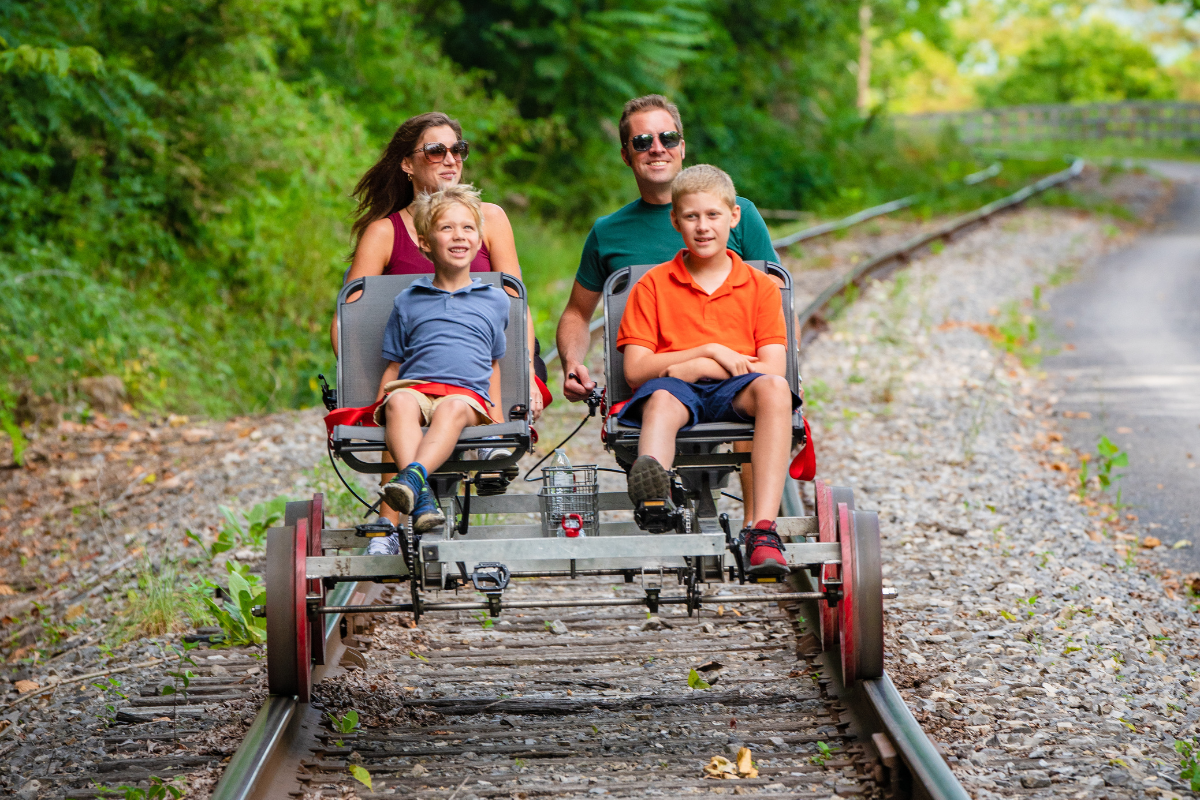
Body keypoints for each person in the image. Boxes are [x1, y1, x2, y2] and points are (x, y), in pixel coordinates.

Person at [554, 95, 778, 508]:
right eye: (642, 141)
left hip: (738, 369)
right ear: (626, 155)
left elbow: (775, 299)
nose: (657, 147)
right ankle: (658, 495)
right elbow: (577, 312)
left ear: (682, 146)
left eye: (667, 137)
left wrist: (782, 371)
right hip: (660, 377)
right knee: (665, 401)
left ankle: (756, 523)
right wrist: (572, 362)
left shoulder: (736, 212)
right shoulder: (609, 232)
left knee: (762, 394)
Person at [615, 165, 799, 577]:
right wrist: (701, 355)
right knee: (660, 399)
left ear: (734, 217)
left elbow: (773, 368)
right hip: (675, 387)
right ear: (675, 220)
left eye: (713, 216)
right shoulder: (654, 285)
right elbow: (636, 370)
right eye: (692, 217)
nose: (703, 227)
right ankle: (654, 493)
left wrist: (702, 364)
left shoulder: (760, 287)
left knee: (774, 390)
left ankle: (762, 529)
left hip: (738, 389)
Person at [371, 185, 509, 537]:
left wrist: (498, 420)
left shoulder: (494, 300)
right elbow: (394, 364)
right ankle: (422, 499)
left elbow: (493, 362)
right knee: (398, 400)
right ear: (425, 243)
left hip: (467, 398)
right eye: (446, 228)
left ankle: (414, 484)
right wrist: (379, 405)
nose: (458, 235)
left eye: (467, 228)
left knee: (451, 408)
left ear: (479, 241)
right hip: (417, 390)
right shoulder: (408, 300)